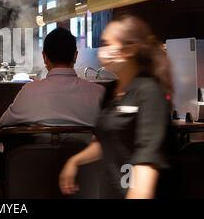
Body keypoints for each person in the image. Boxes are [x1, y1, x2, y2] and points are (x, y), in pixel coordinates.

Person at [59, 15, 173, 199]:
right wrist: (75, 161)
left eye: (106, 44)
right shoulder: (111, 90)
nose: (101, 51)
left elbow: (145, 169)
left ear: (129, 50)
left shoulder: (149, 92)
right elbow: (107, 141)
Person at [0, 27, 105, 127]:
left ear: (44, 57)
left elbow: (3, 123)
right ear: (75, 56)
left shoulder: (29, 91)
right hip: (85, 146)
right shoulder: (98, 93)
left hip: (38, 146)